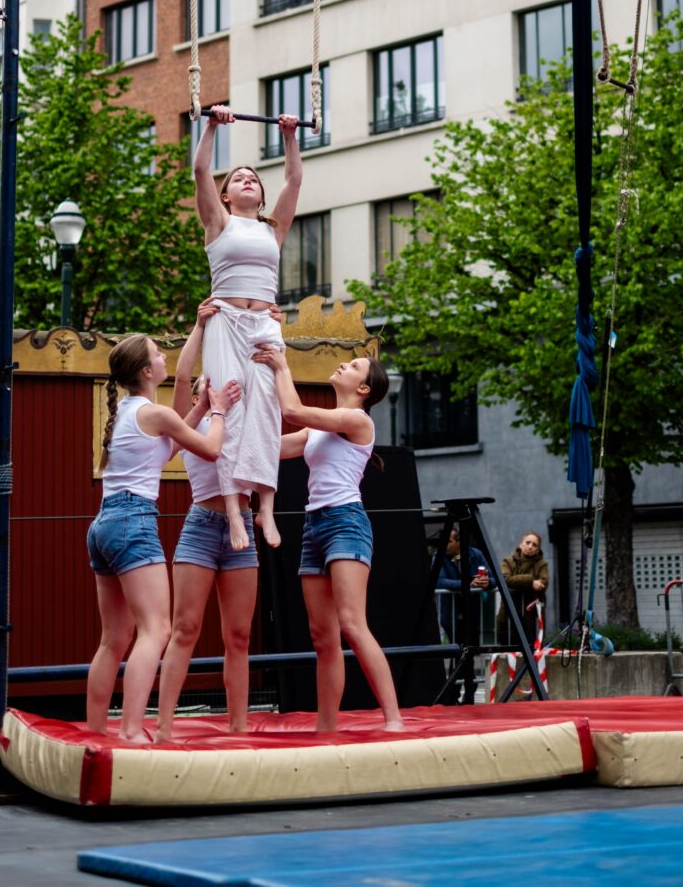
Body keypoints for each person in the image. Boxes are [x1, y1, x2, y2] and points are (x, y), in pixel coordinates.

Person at [86, 333, 239, 746]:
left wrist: (203, 405)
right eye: (157, 353)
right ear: (146, 371)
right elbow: (208, 448)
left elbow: (170, 448)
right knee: (156, 630)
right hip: (134, 522)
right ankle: (133, 730)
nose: (163, 355)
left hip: (104, 524)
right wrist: (220, 411)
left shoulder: (129, 413)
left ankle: (97, 731)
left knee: (113, 639)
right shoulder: (154, 412)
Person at [252, 344, 404, 733]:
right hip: (314, 527)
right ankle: (326, 726)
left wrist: (281, 363)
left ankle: (393, 719)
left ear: (365, 388)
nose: (343, 364)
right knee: (323, 637)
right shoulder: (318, 432)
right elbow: (269, 449)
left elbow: (294, 411)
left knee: (353, 624)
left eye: (353, 365)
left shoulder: (357, 421)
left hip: (345, 522)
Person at [156, 297, 281, 739]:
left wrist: (267, 325)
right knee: (185, 629)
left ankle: (239, 726)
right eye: (209, 384)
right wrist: (199, 326)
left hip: (241, 525)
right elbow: (185, 373)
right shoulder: (191, 423)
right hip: (201, 528)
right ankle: (165, 725)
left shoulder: (240, 415)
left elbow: (258, 374)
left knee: (239, 637)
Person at [193, 104, 302, 554]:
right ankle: (236, 510)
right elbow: (200, 170)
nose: (248, 181)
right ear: (226, 195)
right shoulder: (218, 224)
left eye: (254, 178)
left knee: (267, 411)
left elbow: (294, 180)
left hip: (264, 323)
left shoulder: (272, 228)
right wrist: (212, 127)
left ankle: (266, 507)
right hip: (226, 323)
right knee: (231, 408)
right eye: (238, 178)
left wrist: (289, 136)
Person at [434, 525, 490, 643]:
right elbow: (440, 581)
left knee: (470, 651)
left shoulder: (476, 554)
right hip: (451, 613)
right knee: (457, 649)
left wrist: (486, 583)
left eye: (448, 541)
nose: (444, 545)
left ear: (459, 542)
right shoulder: (439, 556)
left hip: (472, 612)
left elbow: (494, 578)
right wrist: (468, 583)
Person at [495, 529, 550, 647]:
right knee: (506, 654)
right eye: (527, 542)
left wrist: (518, 582)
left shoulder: (542, 564)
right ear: (521, 544)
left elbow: (543, 584)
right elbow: (505, 579)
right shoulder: (508, 561)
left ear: (538, 550)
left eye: (534, 545)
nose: (530, 546)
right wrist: (531, 581)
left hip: (530, 619)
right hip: (508, 616)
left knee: (530, 655)